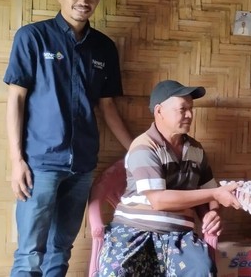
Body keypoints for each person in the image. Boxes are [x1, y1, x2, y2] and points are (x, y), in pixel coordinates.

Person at [4, 0, 133, 276]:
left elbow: (107, 106)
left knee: (60, 251)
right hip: (40, 164)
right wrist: (16, 161)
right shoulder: (33, 38)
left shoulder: (104, 47)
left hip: (83, 166)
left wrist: (136, 149)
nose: (82, 0)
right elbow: (16, 99)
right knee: (30, 254)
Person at [98, 80, 241, 276]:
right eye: (182, 109)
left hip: (179, 236)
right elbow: (159, 200)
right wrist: (215, 193)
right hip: (134, 232)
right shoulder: (144, 146)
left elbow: (209, 192)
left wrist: (212, 213)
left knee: (202, 271)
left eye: (191, 109)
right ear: (159, 111)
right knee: (115, 272)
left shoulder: (196, 150)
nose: (189, 115)